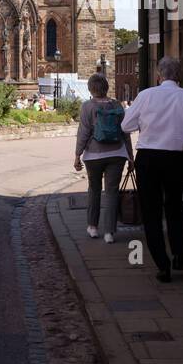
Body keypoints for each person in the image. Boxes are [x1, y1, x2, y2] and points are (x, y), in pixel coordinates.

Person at [121, 56, 183, 282]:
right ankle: (179, 255)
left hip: (149, 158)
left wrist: (147, 124)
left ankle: (162, 264)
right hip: (177, 159)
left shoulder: (145, 96)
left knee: (151, 212)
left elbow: (126, 125)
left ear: (158, 75)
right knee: (174, 206)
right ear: (178, 76)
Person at [74, 72, 133, 242]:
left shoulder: (87, 106)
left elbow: (83, 133)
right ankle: (109, 232)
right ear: (106, 87)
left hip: (93, 155)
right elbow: (126, 133)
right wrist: (130, 156)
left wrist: (77, 155)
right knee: (112, 192)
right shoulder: (117, 105)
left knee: (94, 189)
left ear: (90, 89)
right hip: (117, 154)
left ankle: (93, 227)